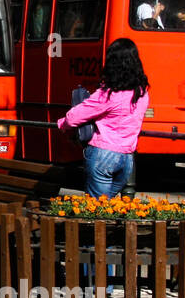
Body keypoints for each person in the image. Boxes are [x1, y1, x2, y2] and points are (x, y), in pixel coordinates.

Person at [57, 38, 150, 197]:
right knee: (107, 206)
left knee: (97, 208)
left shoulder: (108, 94)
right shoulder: (142, 93)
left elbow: (73, 118)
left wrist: (62, 124)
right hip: (127, 158)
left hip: (103, 155)